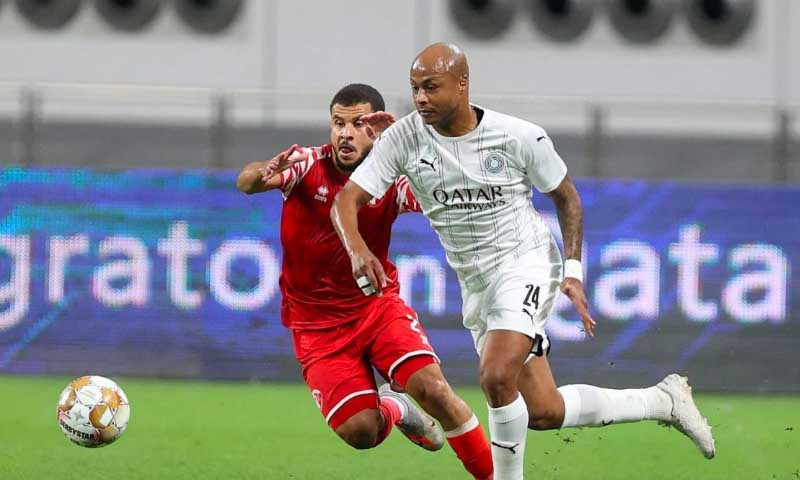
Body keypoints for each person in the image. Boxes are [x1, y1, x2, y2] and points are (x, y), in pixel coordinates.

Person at [331, 45, 716, 479]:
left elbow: (565, 197)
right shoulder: (403, 138)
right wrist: (358, 249)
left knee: (496, 376)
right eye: (415, 89)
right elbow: (347, 200)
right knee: (544, 411)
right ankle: (662, 401)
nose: (420, 98)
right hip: (477, 283)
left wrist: (572, 272)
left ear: (462, 84)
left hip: (527, 262)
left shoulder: (518, 136)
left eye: (431, 88)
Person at [237, 83, 494, 479]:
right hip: (317, 328)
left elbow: (442, 195)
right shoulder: (306, 165)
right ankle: (396, 408)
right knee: (361, 432)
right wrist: (261, 173)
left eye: (358, 124)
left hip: (376, 308)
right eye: (338, 123)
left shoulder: (392, 178)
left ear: (376, 129)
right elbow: (247, 182)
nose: (345, 133)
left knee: (436, 392)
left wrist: (422, 150)